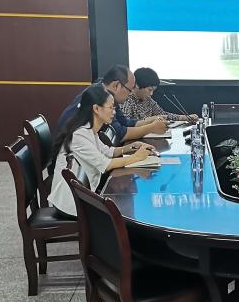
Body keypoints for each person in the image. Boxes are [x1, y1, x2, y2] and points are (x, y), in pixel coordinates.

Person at [48, 85, 156, 217]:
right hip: (71, 204)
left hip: (82, 196)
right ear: (96, 109)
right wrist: (137, 157)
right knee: (121, 213)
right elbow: (105, 164)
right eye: (111, 107)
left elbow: (108, 151)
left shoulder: (89, 130)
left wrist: (131, 147)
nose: (114, 112)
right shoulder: (79, 135)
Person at [56, 65, 167, 144]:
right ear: (116, 85)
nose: (131, 94)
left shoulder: (104, 91)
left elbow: (124, 122)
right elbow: (120, 134)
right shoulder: (99, 98)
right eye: (129, 90)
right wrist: (152, 127)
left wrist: (149, 121)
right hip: (71, 158)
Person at [121, 67, 197, 124]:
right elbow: (125, 124)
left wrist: (185, 117)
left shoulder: (148, 99)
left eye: (153, 90)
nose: (151, 94)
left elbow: (162, 114)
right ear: (137, 85)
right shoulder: (126, 100)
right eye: (149, 90)